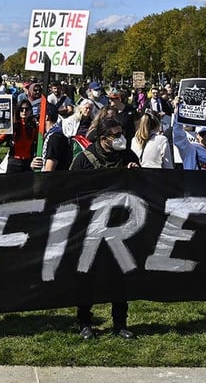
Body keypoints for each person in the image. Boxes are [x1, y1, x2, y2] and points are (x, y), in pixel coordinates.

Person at [68, 118, 139, 340]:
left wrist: (135, 173)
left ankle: (120, 323)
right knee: (87, 275)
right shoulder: (84, 160)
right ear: (103, 139)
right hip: (92, 226)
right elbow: (71, 189)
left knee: (120, 275)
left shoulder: (128, 156)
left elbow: (141, 188)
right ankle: (85, 322)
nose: (120, 138)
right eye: (115, 135)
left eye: (121, 133)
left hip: (120, 226)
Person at [0, 99, 38, 173]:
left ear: (30, 111)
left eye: (27, 109)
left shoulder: (34, 126)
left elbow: (38, 141)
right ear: (18, 111)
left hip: (28, 161)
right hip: (14, 161)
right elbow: (0, 138)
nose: (24, 111)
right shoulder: (12, 125)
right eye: (21, 109)